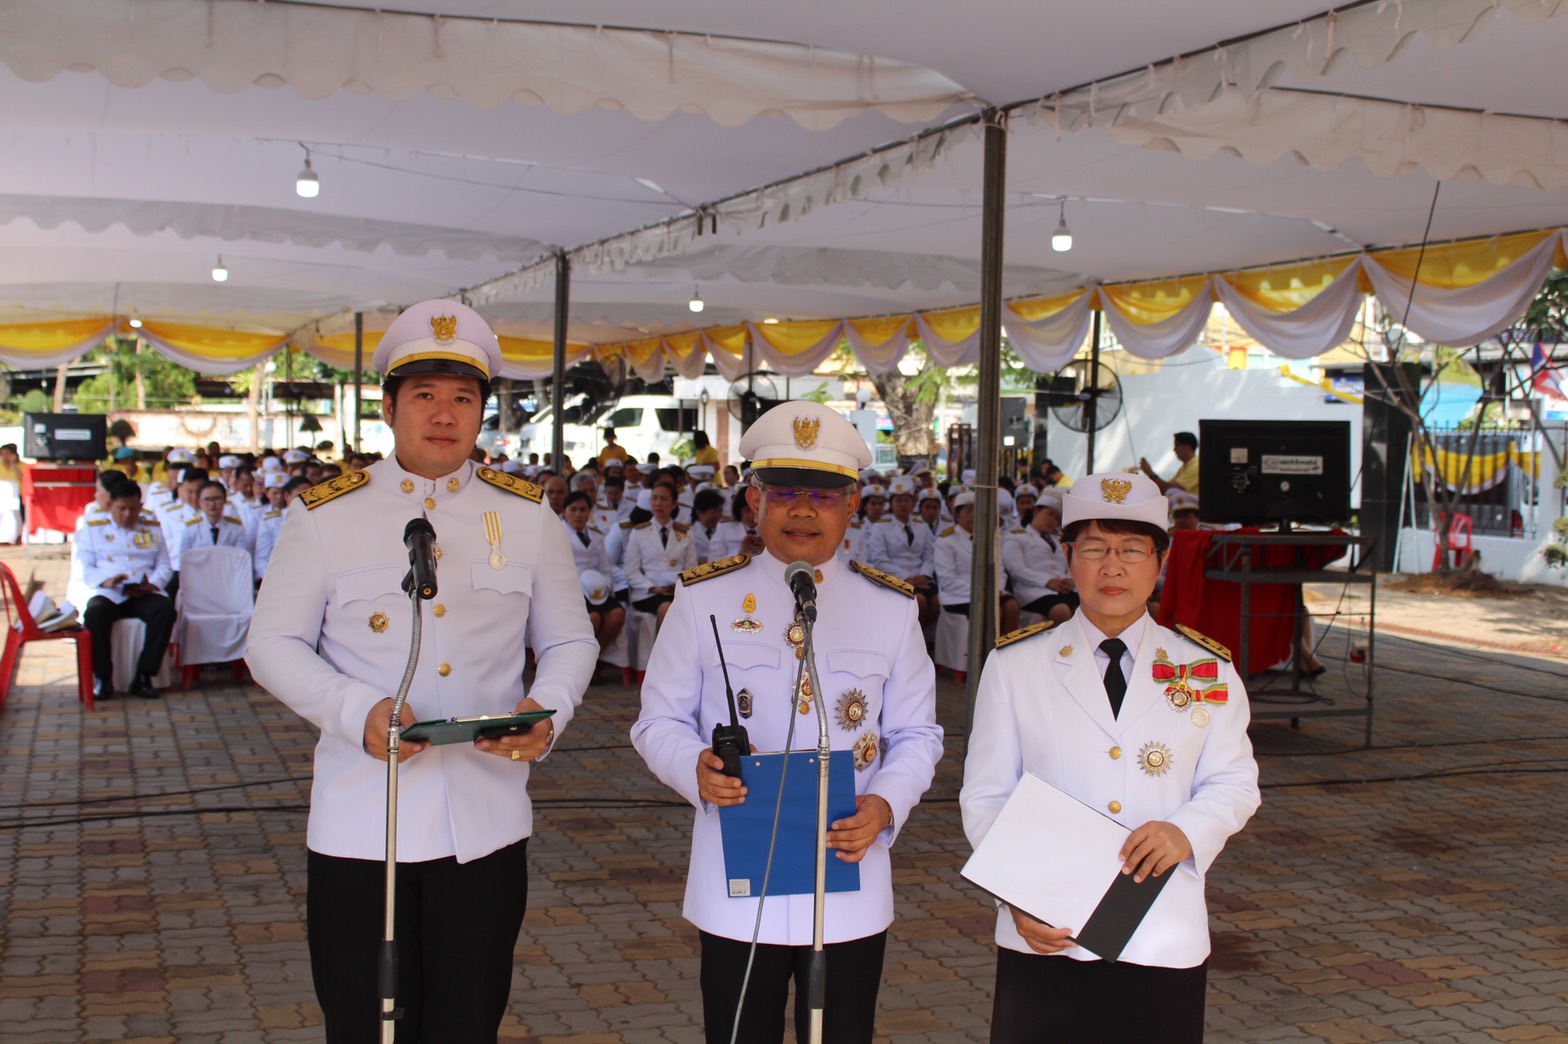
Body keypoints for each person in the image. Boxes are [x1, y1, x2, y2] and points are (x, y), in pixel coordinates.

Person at [246, 299, 597, 1043]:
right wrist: (354, 710)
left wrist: (547, 710)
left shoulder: (526, 513)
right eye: (425, 395)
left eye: (463, 398)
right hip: (362, 823)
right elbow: (270, 642)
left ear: (482, 413)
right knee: (363, 1023)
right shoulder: (326, 514)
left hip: (484, 820)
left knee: (468, 1022)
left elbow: (571, 639)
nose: (444, 415)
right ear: (389, 407)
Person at [632, 401, 943, 1044]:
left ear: (852, 506)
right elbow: (658, 719)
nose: (803, 511)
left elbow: (918, 734)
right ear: (755, 502)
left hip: (848, 875)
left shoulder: (890, 608)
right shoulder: (703, 598)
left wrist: (886, 805)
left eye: (823, 496)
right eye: (785, 494)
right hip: (739, 877)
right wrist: (694, 768)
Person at [960, 472, 1261, 1044]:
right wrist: (1015, 894)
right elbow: (987, 793)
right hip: (1047, 929)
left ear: (1160, 561)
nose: (1112, 567)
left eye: (1132, 550)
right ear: (1069, 558)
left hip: (1161, 928)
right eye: (1095, 548)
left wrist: (1185, 832)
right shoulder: (1016, 665)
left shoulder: (1206, 670)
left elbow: (1234, 781)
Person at [75, 480, 175, 700]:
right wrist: (106, 581)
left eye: (133, 508)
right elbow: (84, 566)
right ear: (110, 506)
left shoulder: (152, 527)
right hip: (110, 593)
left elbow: (165, 565)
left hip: (142, 593)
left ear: (141, 506)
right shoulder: (94, 528)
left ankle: (144, 676)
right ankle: (103, 678)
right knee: (95, 612)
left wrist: (152, 584)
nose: (128, 514)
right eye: (122, 508)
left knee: (165, 610)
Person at [935, 492, 1019, 637]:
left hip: (990, 591)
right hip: (959, 595)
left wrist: (997, 589)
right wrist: (982, 591)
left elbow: (1000, 570)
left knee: (1012, 607)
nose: (973, 516)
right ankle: (988, 650)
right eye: (968, 511)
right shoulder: (945, 541)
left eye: (977, 511)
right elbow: (947, 580)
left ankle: (1007, 648)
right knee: (994, 611)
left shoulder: (989, 537)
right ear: (957, 515)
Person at [623, 483, 696, 632]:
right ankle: (665, 648)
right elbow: (631, 572)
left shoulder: (685, 533)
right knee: (667, 608)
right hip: (648, 592)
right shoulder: (639, 532)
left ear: (674, 504)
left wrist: (678, 586)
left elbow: (691, 568)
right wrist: (652, 588)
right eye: (654, 498)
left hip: (677, 590)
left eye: (663, 499)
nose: (657, 503)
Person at [865, 476, 937, 626]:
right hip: (894, 578)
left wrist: (924, 575)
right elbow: (879, 559)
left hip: (920, 578)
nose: (903, 504)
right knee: (920, 601)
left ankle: (925, 635)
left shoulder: (921, 526)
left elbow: (929, 555)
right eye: (898, 500)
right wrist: (906, 578)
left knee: (938, 601)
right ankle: (915, 635)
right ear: (891, 504)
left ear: (913, 503)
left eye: (906, 500)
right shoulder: (881, 527)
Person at [562, 489, 625, 655]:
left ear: (589, 512)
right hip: (571, 591)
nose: (578, 514)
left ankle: (595, 656)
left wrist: (604, 589)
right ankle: (579, 659)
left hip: (597, 591)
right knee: (593, 618)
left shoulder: (596, 537)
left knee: (617, 614)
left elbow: (605, 568)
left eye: (583, 509)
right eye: (573, 509)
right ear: (564, 511)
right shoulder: (557, 535)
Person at [1001, 491, 1078, 625]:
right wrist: (1047, 581)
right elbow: (1016, 569)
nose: (1052, 521)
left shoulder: (1057, 541)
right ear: (1037, 511)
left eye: (1056, 519)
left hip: (1062, 589)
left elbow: (1068, 566)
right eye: (1050, 514)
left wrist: (1070, 580)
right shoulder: (1017, 537)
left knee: (1090, 607)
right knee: (1061, 611)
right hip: (1033, 592)